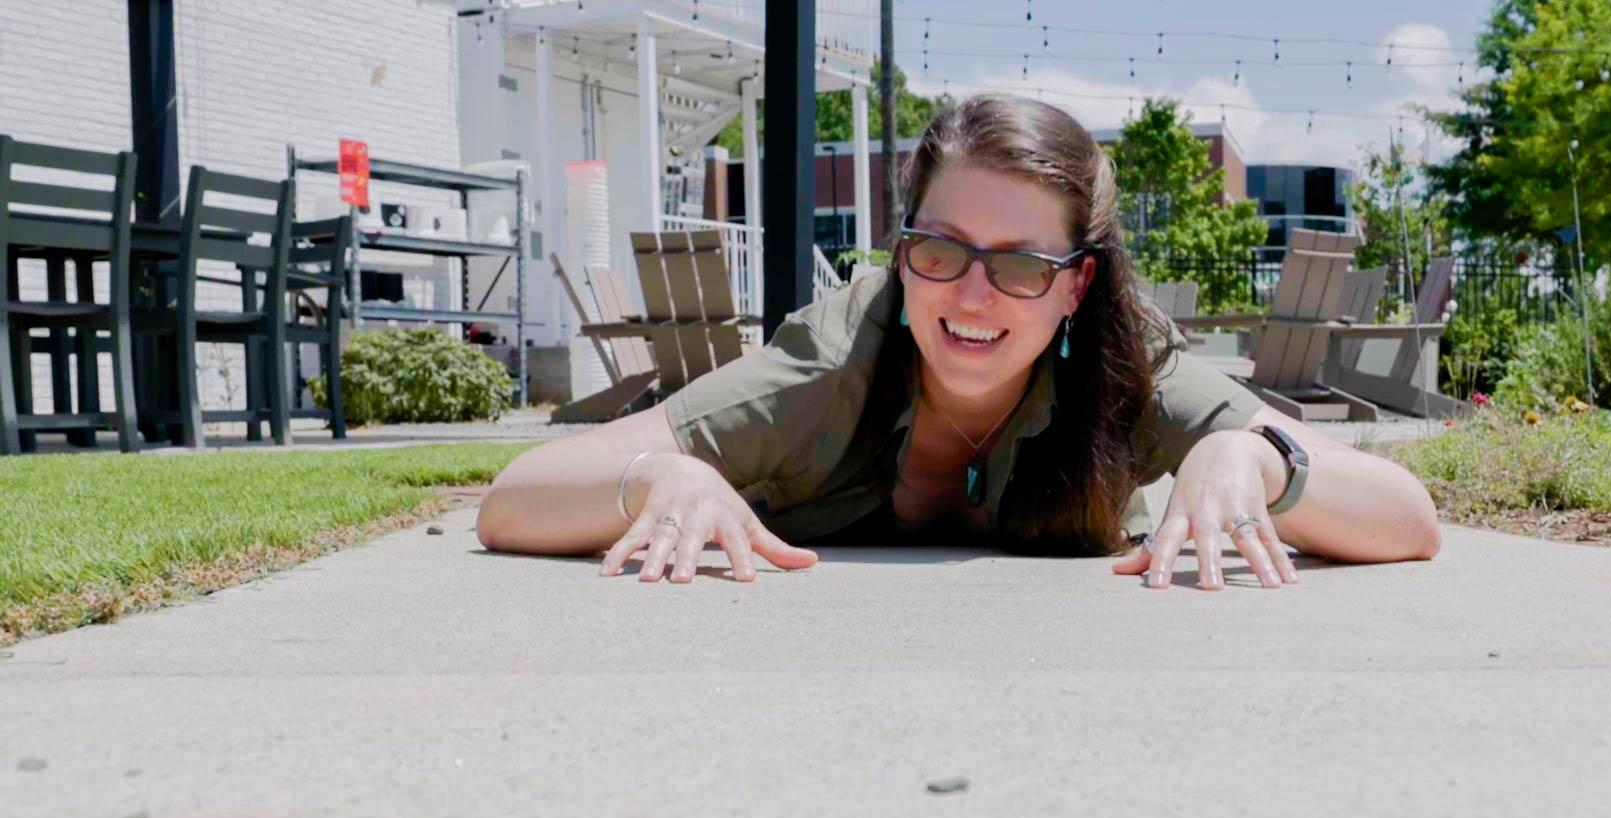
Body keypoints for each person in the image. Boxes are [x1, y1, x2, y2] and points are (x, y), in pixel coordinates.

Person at [477, 94, 1441, 591]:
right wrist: (654, 478)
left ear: (1078, 286)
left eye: (1021, 264)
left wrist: (1256, 458)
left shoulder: (1125, 366)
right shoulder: (831, 361)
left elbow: (1408, 521)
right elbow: (512, 502)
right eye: (941, 250)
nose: (973, 295)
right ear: (903, 254)